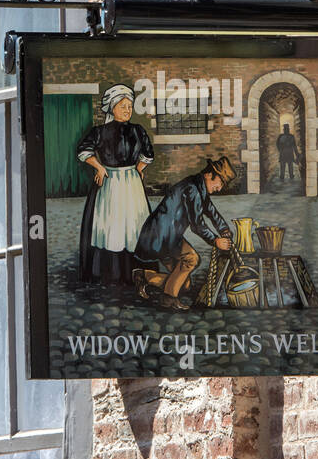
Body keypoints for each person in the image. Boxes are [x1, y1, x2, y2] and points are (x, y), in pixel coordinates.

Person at [133, 156, 235, 311]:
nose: (219, 189)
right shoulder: (193, 189)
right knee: (191, 259)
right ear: (209, 175)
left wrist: (224, 229)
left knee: (185, 284)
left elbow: (211, 210)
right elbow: (197, 225)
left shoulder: (199, 186)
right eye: (219, 183)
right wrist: (215, 240)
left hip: (167, 236)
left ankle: (144, 276)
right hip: (162, 236)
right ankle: (168, 299)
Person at [77, 85, 154, 285]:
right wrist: (99, 168)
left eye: (130, 106)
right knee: (112, 225)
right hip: (110, 183)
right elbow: (84, 151)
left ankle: (134, 271)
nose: (127, 110)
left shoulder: (137, 130)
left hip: (131, 183)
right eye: (123, 106)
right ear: (112, 108)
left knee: (134, 224)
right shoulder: (100, 132)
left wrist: (139, 169)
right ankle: (110, 273)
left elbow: (148, 153)